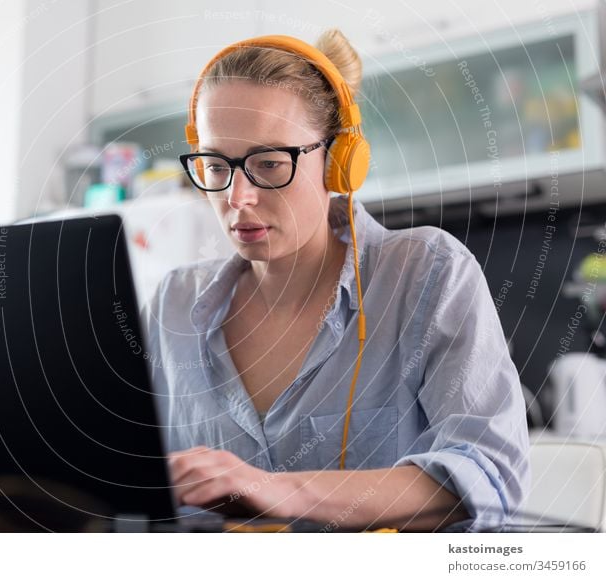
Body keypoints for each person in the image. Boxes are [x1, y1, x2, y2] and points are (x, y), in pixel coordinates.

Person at [141, 29, 529, 531]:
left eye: (269, 164)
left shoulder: (426, 275)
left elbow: (489, 474)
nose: (237, 197)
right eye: (216, 167)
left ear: (339, 161)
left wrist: (279, 489)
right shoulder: (173, 305)